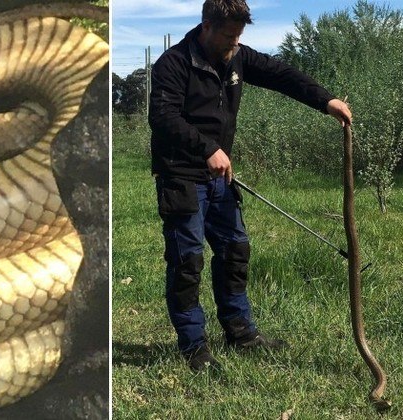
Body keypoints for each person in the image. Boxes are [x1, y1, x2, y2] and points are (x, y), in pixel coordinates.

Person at [148, 0, 352, 371]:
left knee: (235, 252)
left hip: (220, 179)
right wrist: (208, 148)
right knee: (187, 262)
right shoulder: (174, 63)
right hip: (181, 176)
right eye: (229, 35)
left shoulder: (237, 56)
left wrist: (326, 101)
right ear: (207, 26)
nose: (235, 43)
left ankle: (241, 333)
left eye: (240, 36)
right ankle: (194, 347)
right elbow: (162, 117)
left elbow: (282, 75)